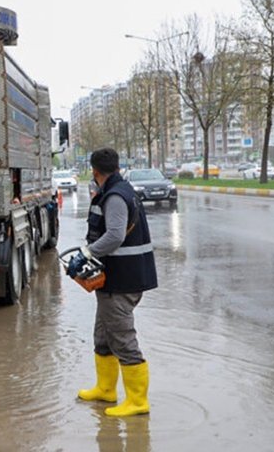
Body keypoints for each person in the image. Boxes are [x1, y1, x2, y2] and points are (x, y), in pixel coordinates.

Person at [67, 148, 158, 417]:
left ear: (95, 171)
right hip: (116, 279)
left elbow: (115, 236)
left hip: (123, 280)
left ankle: (138, 401)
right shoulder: (119, 189)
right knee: (103, 335)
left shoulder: (116, 196)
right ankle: (106, 390)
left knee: (122, 338)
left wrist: (86, 253)